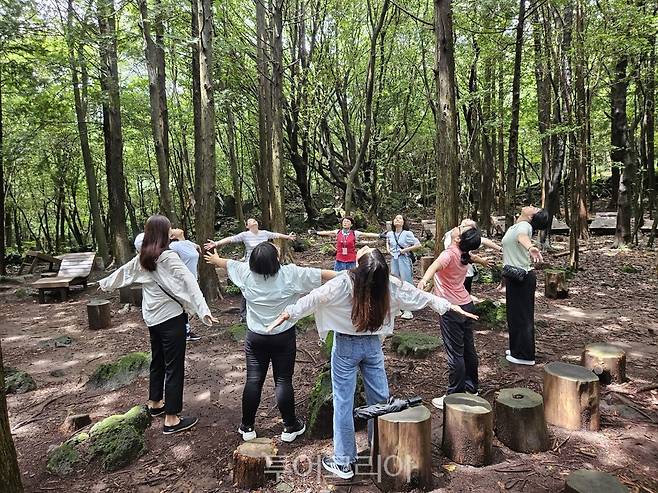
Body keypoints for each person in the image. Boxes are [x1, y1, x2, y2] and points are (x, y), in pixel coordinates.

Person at [265, 246, 477, 479]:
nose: (362, 248)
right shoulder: (388, 284)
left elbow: (315, 298)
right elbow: (417, 295)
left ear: (361, 265)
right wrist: (448, 306)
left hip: (346, 346)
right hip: (373, 346)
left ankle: (344, 462)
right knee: (380, 399)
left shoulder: (345, 281)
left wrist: (289, 313)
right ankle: (382, 449)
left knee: (343, 402)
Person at [204, 242, 337, 443]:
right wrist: (351, 275)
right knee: (283, 380)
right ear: (275, 260)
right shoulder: (290, 274)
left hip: (255, 337)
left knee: (253, 380)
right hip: (283, 336)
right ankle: (290, 426)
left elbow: (228, 264)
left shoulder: (246, 274)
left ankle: (247, 427)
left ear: (252, 262)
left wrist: (215, 260)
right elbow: (322, 274)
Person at [100, 215, 218, 435]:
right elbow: (190, 282)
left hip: (153, 320)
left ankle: (155, 403)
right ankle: (172, 419)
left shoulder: (143, 257)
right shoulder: (169, 257)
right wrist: (204, 310)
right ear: (163, 233)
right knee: (174, 366)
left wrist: (104, 284)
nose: (172, 231)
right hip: (172, 320)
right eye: (169, 229)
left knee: (158, 360)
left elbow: (123, 273)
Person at [418, 224, 482, 409]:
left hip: (451, 309)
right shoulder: (463, 253)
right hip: (466, 304)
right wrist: (483, 262)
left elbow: (434, 266)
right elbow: (473, 258)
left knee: (455, 353)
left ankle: (454, 394)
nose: (457, 227)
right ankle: (472, 387)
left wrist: (423, 280)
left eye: (459, 228)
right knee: (468, 348)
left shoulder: (449, 254)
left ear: (457, 239)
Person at [204, 218, 296, 322]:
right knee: (247, 289)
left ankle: (268, 312)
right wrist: (216, 243)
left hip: (265, 265)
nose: (254, 221)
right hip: (249, 266)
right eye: (250, 221)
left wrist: (288, 237)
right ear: (247, 226)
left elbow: (276, 235)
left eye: (255, 220)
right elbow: (231, 239)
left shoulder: (264, 233)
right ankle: (244, 315)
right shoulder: (245, 235)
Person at [501, 206, 550, 366]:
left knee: (522, 317)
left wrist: (531, 248)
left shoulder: (524, 227)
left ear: (531, 217)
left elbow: (522, 237)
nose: (531, 206)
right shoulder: (517, 225)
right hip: (514, 276)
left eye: (535, 209)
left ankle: (525, 356)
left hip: (522, 277)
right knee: (514, 316)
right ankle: (516, 349)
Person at [135, 229, 203, 342]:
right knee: (182, 306)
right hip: (181, 281)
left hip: (193, 278)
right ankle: (185, 332)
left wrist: (197, 246)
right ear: (171, 236)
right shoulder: (174, 246)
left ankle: (185, 330)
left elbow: (194, 246)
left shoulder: (188, 243)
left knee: (186, 306)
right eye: (173, 228)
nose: (176, 228)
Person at [442, 219, 502, 293]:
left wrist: (501, 249)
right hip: (455, 274)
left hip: (466, 274)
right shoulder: (453, 236)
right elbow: (464, 255)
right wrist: (481, 261)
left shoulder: (461, 235)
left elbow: (483, 240)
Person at [311, 216, 382, 271]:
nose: (345, 223)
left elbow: (366, 234)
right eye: (344, 221)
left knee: (351, 277)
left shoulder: (354, 233)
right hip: (339, 259)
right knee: (338, 276)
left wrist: (379, 235)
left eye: (348, 222)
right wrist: (316, 232)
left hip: (351, 260)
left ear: (351, 224)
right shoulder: (338, 232)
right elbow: (327, 232)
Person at [385, 214, 422, 319]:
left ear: (403, 222)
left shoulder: (407, 233)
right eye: (395, 218)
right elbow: (387, 242)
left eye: (400, 218)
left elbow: (418, 244)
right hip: (394, 259)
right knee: (394, 281)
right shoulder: (390, 234)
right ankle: (397, 308)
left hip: (404, 259)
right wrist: (388, 250)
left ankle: (408, 309)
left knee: (406, 282)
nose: (397, 219)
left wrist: (404, 250)